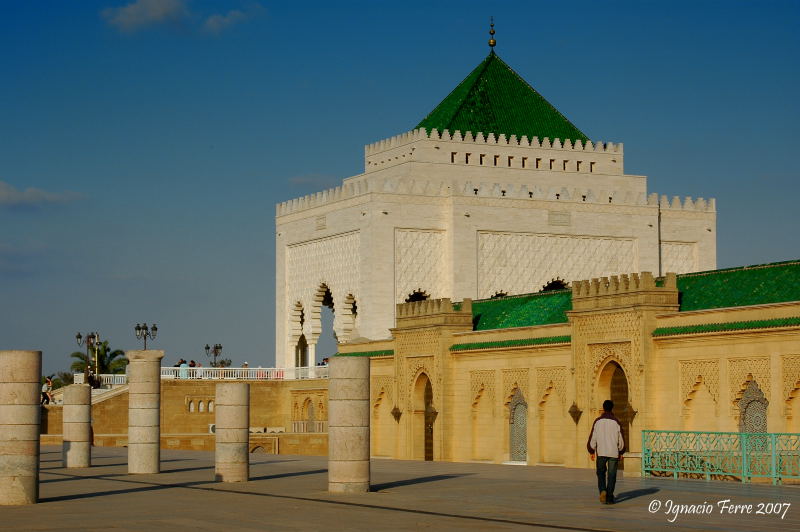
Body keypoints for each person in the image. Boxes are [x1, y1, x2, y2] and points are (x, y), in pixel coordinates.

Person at [587, 399, 625, 505]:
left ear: (603, 408)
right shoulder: (616, 422)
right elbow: (620, 438)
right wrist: (621, 451)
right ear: (612, 408)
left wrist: (591, 450)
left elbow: (593, 437)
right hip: (613, 452)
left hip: (601, 452)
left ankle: (603, 490)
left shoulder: (597, 422)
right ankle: (609, 497)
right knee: (612, 475)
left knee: (601, 473)